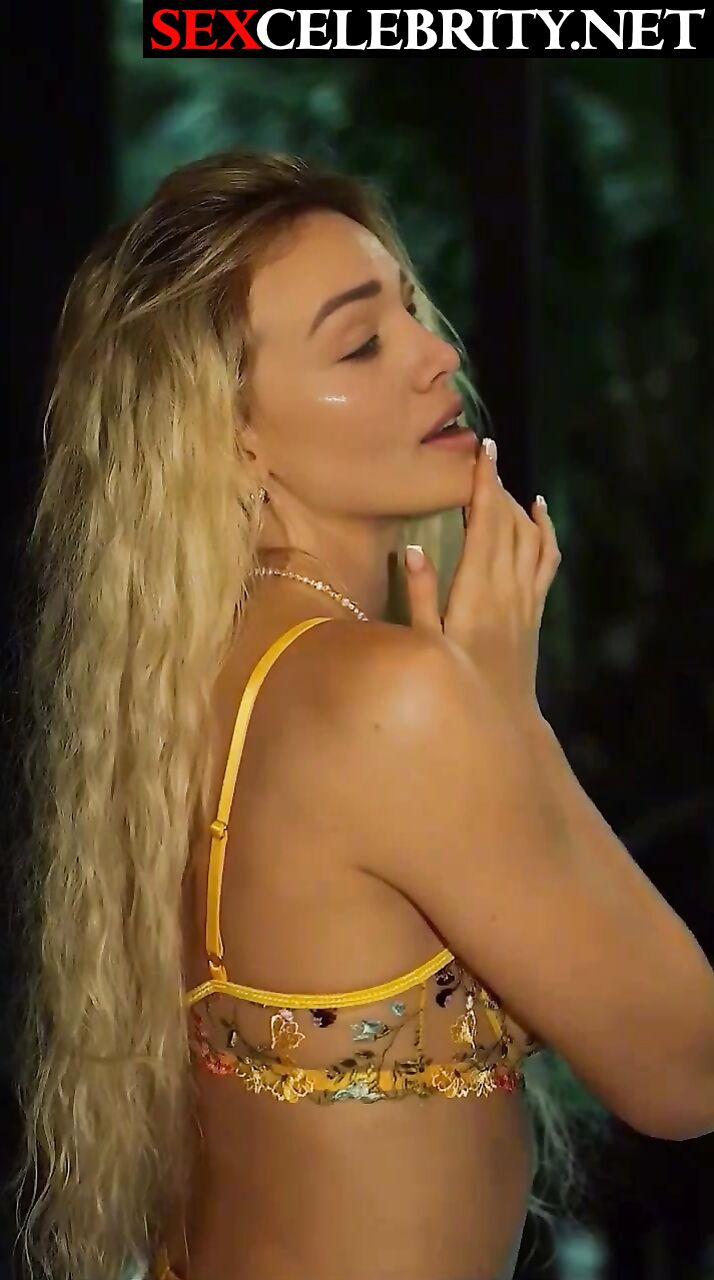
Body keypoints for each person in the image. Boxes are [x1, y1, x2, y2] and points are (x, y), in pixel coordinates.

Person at [10, 149, 714, 1280]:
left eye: (410, 310)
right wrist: (509, 717)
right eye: (360, 344)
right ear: (231, 435)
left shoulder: (194, 681)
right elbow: (686, 1072)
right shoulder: (389, 696)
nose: (439, 356)